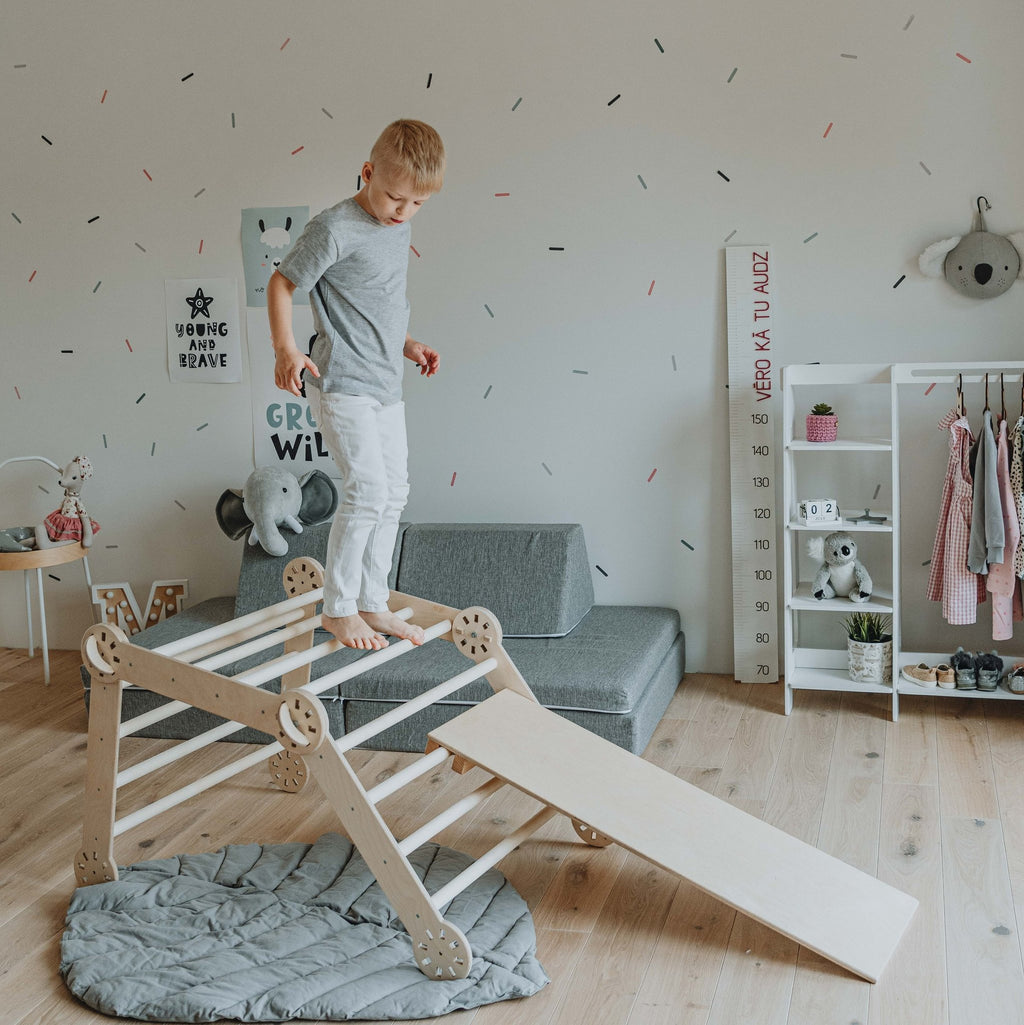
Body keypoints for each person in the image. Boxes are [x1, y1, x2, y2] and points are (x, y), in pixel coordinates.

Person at [267, 119, 444, 650]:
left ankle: (372, 600)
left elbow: (376, 304)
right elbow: (282, 281)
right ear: (367, 173)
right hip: (343, 381)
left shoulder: (399, 226)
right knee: (367, 491)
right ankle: (339, 608)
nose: (403, 212)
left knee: (394, 493)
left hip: (387, 381)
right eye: (394, 198)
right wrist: (286, 349)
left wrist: (406, 344)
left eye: (416, 204)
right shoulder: (335, 227)